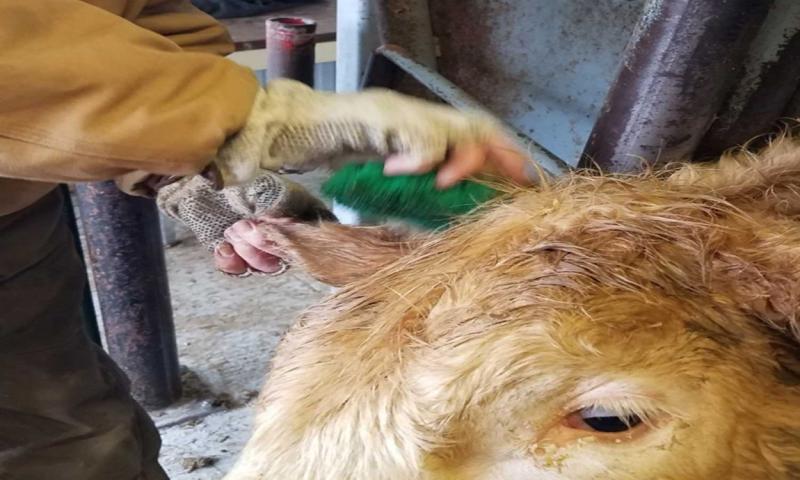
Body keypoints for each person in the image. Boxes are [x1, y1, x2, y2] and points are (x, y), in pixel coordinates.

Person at [0, 1, 532, 479]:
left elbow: (130, 17)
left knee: (75, 425)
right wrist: (247, 123)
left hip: (16, 205)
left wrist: (191, 168)